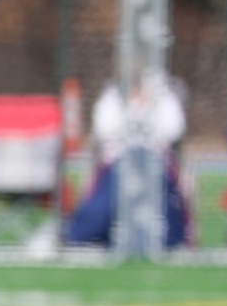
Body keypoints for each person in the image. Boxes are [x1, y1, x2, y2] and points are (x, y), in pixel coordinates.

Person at [61, 71, 189, 249]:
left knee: (157, 180)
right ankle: (87, 232)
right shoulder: (112, 96)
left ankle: (169, 235)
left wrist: (148, 107)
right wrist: (133, 111)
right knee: (115, 181)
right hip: (117, 161)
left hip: (155, 161)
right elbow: (104, 129)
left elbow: (173, 129)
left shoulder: (164, 95)